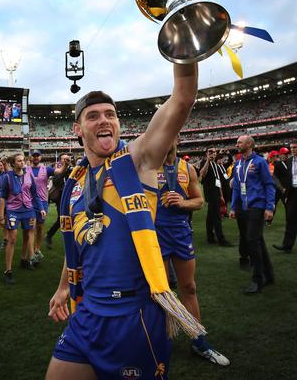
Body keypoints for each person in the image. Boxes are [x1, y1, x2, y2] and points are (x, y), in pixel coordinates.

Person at [46, 61, 202, 379]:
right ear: (77, 129)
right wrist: (63, 286)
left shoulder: (137, 160)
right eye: (93, 116)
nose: (104, 120)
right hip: (87, 313)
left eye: (110, 115)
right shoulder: (75, 183)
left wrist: (184, 50)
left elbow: (183, 97)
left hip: (133, 316)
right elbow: (79, 242)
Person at [155, 142, 229, 366]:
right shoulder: (147, 166)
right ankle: (155, 340)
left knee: (189, 287)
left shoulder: (187, 169)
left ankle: (199, 341)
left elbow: (199, 201)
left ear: (176, 138)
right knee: (158, 291)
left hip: (180, 234)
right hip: (154, 234)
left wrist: (183, 202)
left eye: (171, 134)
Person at [230, 135, 276, 293]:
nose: (237, 144)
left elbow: (269, 185)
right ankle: (269, 275)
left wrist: (269, 207)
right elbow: (236, 186)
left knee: (251, 239)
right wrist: (233, 207)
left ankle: (258, 279)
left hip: (258, 205)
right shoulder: (238, 163)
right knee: (258, 240)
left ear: (249, 144)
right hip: (244, 206)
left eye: (240, 142)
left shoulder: (260, 162)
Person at [0, 153, 45, 284]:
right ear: (13, 163)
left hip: (29, 210)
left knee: (28, 235)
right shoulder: (7, 177)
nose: (22, 162)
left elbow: (35, 194)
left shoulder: (28, 175)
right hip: (13, 210)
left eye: (23, 160)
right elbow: (3, 198)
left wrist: (41, 208)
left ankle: (24, 259)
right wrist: (2, 217)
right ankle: (8, 270)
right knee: (12, 239)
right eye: (19, 161)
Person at [198, 148, 232, 246]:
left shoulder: (216, 165)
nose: (213, 154)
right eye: (210, 152)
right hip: (211, 193)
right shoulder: (205, 162)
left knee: (211, 216)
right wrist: (208, 160)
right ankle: (221, 239)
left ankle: (210, 237)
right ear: (206, 154)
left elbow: (218, 181)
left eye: (214, 152)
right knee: (217, 216)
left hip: (216, 192)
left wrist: (221, 195)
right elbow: (202, 173)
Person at [27, 149, 55, 264]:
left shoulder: (46, 169)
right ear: (30, 157)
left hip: (43, 201)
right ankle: (31, 253)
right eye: (34, 155)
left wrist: (66, 165)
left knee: (40, 227)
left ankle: (37, 249)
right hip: (29, 201)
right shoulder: (26, 169)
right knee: (31, 227)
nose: (36, 157)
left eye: (37, 155)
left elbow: (58, 172)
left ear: (40, 157)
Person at [45, 154, 73, 249]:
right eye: (64, 159)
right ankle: (50, 235)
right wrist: (64, 171)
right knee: (61, 218)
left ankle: (51, 235)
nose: (66, 160)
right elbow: (56, 182)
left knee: (72, 216)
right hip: (61, 197)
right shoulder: (57, 170)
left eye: (67, 158)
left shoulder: (72, 169)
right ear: (60, 161)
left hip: (71, 196)